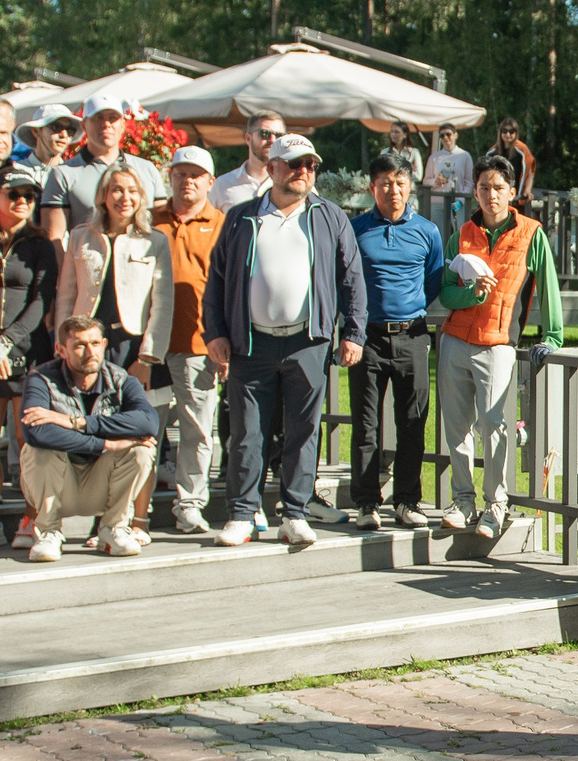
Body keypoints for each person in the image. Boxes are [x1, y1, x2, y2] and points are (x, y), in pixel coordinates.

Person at [203, 132, 365, 549]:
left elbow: (352, 279)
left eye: (310, 165)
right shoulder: (240, 218)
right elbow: (216, 281)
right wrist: (216, 332)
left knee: (304, 429)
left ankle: (294, 513)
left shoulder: (330, 217)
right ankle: (242, 512)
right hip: (249, 343)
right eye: (294, 164)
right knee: (246, 431)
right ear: (272, 167)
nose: (303, 172)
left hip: (307, 341)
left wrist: (353, 333)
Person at [435, 156, 562, 539]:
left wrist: (552, 336)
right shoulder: (461, 234)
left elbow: (549, 288)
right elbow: (445, 293)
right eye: (485, 187)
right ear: (475, 191)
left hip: (499, 343)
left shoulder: (531, 233)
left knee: (493, 425)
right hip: (455, 341)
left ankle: (496, 506)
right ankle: (462, 501)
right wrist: (470, 293)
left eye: (499, 188)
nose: (492, 195)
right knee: (456, 428)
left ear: (512, 193)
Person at [0, 166, 59, 553]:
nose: (22, 202)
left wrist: (8, 344)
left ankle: (33, 518)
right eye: (14, 194)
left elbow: (41, 300)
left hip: (28, 353)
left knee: (27, 440)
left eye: (29, 196)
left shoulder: (41, 245)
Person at [348, 153, 444, 530]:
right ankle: (367, 502)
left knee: (412, 422)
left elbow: (433, 281)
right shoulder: (355, 229)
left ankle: (406, 500)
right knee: (366, 423)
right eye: (385, 183)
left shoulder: (427, 231)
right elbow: (346, 280)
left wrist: (409, 309)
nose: (394, 190)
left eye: (400, 182)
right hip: (367, 338)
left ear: (410, 187)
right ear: (372, 188)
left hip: (412, 335)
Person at [18, 314, 160, 562]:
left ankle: (113, 528)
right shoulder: (41, 379)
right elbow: (35, 432)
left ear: (104, 345)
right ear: (61, 349)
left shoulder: (121, 379)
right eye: (79, 345)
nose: (89, 352)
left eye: (95, 344)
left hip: (101, 481)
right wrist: (105, 442)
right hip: (60, 483)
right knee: (36, 450)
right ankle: (48, 532)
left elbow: (148, 422)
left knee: (141, 450)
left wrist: (77, 422)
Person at [151, 147, 225, 536]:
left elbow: (229, 287)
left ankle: (190, 504)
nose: (188, 180)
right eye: (181, 173)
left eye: (196, 175)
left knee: (198, 431)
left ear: (210, 182)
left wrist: (224, 338)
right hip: (150, 345)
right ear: (170, 177)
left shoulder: (221, 224)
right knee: (146, 429)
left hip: (200, 342)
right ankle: (133, 507)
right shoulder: (149, 220)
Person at [59, 162, 171, 381]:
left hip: (131, 343)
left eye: (132, 191)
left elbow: (163, 304)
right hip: (86, 341)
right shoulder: (80, 236)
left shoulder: (154, 240)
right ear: (104, 195)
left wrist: (148, 357)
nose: (125, 198)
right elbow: (66, 294)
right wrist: (64, 341)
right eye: (117, 190)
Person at [41, 91, 163, 242]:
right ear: (83, 124)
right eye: (98, 118)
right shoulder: (62, 174)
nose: (106, 124)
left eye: (113, 118)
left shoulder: (147, 169)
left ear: (123, 125)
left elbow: (161, 228)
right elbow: (54, 238)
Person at [211, 115, 288, 212]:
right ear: (248, 138)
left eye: (279, 135)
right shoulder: (222, 185)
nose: (272, 140)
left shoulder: (292, 183)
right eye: (264, 134)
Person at [23, 104, 79, 174]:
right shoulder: (18, 172)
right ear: (36, 131)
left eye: (70, 130)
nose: (64, 135)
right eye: (56, 127)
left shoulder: (73, 174)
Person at [424, 124, 473, 199]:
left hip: (457, 202)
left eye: (448, 134)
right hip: (437, 202)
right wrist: (435, 181)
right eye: (442, 135)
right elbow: (426, 181)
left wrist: (461, 200)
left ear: (455, 135)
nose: (445, 137)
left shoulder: (465, 155)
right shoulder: (434, 157)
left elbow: (470, 182)